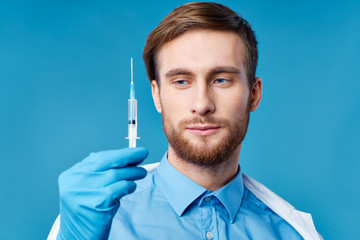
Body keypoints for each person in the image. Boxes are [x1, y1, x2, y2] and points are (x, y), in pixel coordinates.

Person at [48, 2, 323, 240]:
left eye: (221, 80)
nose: (202, 104)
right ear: (157, 96)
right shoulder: (97, 221)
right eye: (181, 81)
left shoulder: (293, 232)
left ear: (254, 94)